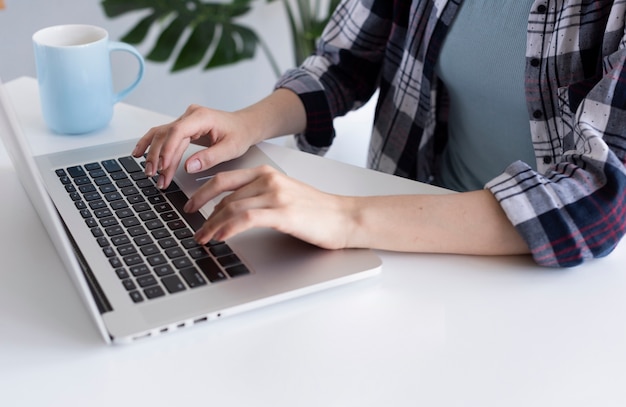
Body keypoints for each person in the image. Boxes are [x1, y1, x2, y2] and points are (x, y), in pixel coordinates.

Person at [133, 0, 626, 268]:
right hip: (408, 228)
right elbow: (346, 62)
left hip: (547, 272)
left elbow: (599, 196)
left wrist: (342, 216)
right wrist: (245, 123)